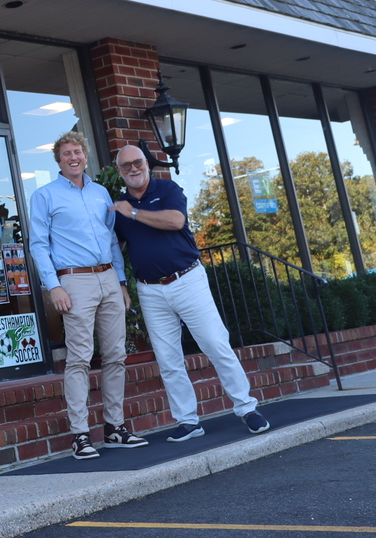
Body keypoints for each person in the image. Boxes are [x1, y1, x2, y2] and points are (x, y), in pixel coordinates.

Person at [110, 143, 271, 440]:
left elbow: (175, 221)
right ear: (119, 171)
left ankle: (247, 408)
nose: (133, 168)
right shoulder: (118, 207)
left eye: (137, 162)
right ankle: (187, 421)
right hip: (150, 290)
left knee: (214, 343)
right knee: (168, 359)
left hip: (187, 279)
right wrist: (119, 282)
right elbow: (115, 247)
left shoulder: (166, 189)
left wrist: (133, 212)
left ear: (146, 163)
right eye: (126, 166)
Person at [28, 131, 147, 459]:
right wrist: (53, 286)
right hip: (74, 281)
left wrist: (121, 282)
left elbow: (111, 240)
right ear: (59, 160)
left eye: (77, 151)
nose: (73, 157)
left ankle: (115, 428)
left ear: (84, 155)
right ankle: (80, 435)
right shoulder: (45, 195)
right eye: (66, 153)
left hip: (108, 277)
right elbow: (38, 244)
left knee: (116, 355)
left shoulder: (100, 193)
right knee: (79, 358)